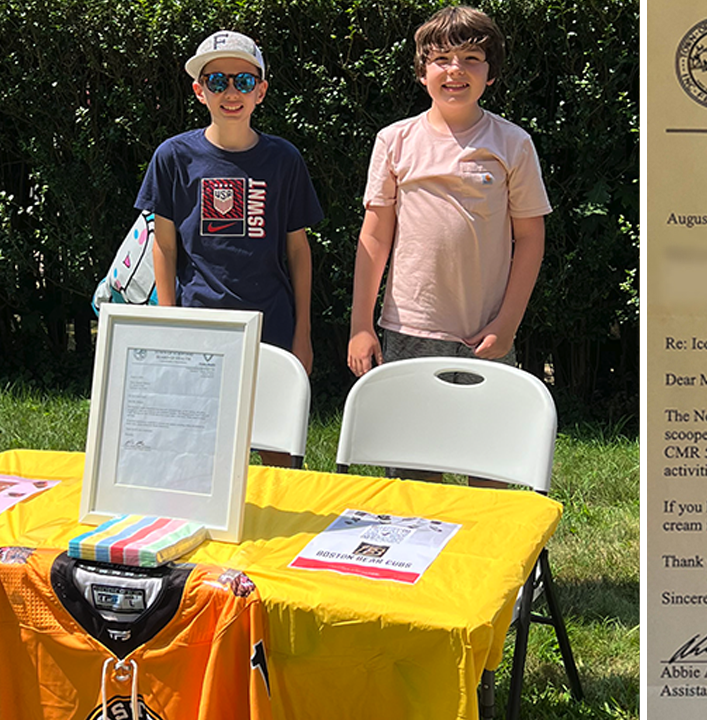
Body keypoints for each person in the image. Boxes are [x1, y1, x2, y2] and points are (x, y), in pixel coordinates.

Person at [347, 7, 551, 485]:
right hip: (407, 331)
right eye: (440, 58)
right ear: (421, 72)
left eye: (471, 57)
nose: (455, 69)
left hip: (484, 336)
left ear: (491, 72)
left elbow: (531, 237)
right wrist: (360, 324)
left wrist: (507, 324)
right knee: (410, 475)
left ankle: (490, 560)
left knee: (491, 471)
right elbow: (375, 235)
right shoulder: (395, 141)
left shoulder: (512, 143)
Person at [136, 30, 323, 467]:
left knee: (281, 457)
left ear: (261, 90)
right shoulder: (173, 156)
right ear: (200, 92)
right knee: (202, 456)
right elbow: (163, 246)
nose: (231, 92)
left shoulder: (284, 159)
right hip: (200, 326)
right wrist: (169, 323)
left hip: (271, 327)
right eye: (217, 82)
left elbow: (299, 250)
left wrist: (303, 333)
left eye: (242, 81)